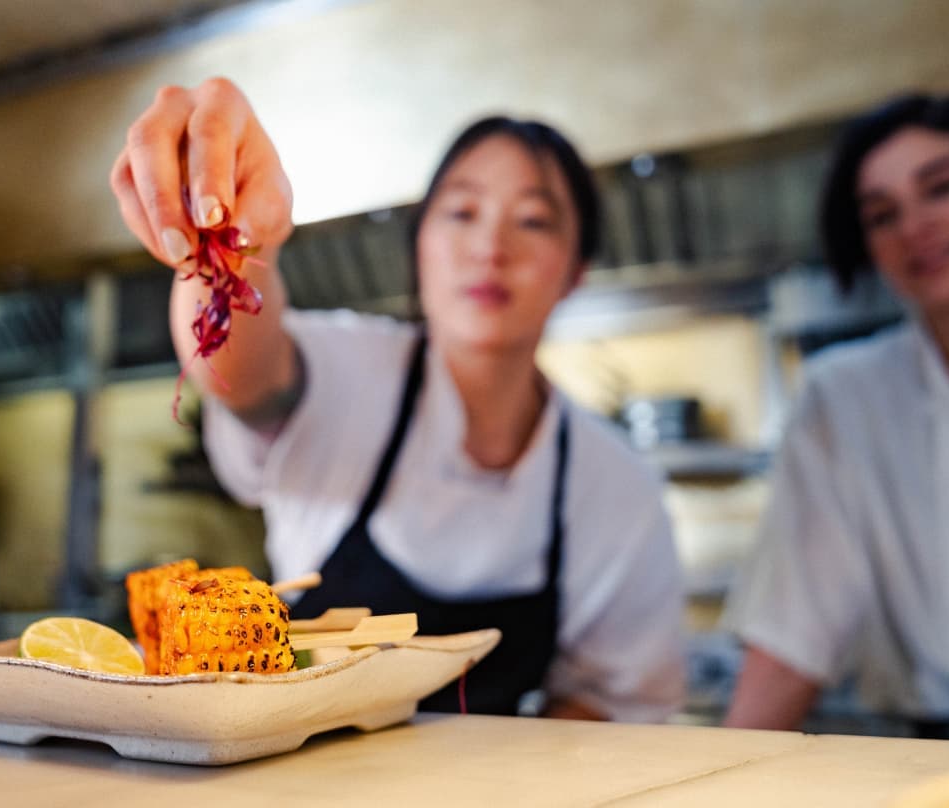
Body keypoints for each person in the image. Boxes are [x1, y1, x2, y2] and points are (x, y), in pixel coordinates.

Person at [110, 78, 684, 721]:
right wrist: (235, 236)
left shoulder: (615, 485)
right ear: (419, 243)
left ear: (577, 271)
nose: (491, 247)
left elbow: (611, 705)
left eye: (533, 220)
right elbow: (242, 376)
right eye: (462, 212)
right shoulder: (348, 371)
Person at [723, 93, 949, 744]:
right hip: (936, 773)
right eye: (882, 214)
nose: (914, 226)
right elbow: (790, 645)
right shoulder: (846, 401)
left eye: (942, 187)